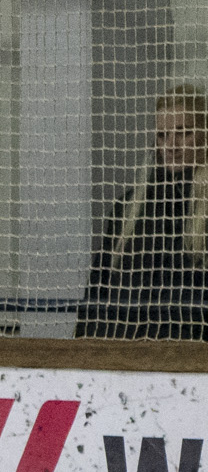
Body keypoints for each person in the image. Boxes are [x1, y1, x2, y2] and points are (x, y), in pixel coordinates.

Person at [80, 83, 208, 340]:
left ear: (203, 136)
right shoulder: (126, 209)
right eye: (162, 135)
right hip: (120, 353)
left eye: (183, 133)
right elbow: (96, 296)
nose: (171, 145)